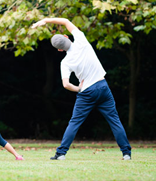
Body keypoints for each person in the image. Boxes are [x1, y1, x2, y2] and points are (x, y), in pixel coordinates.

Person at [31, 17, 132, 160]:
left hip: (86, 93)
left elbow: (66, 84)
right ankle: (126, 153)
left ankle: (61, 154)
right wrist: (46, 20)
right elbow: (65, 21)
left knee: (74, 123)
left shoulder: (65, 62)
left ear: (60, 49)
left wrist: (78, 89)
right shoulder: (81, 40)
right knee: (114, 121)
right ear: (67, 36)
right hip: (102, 86)